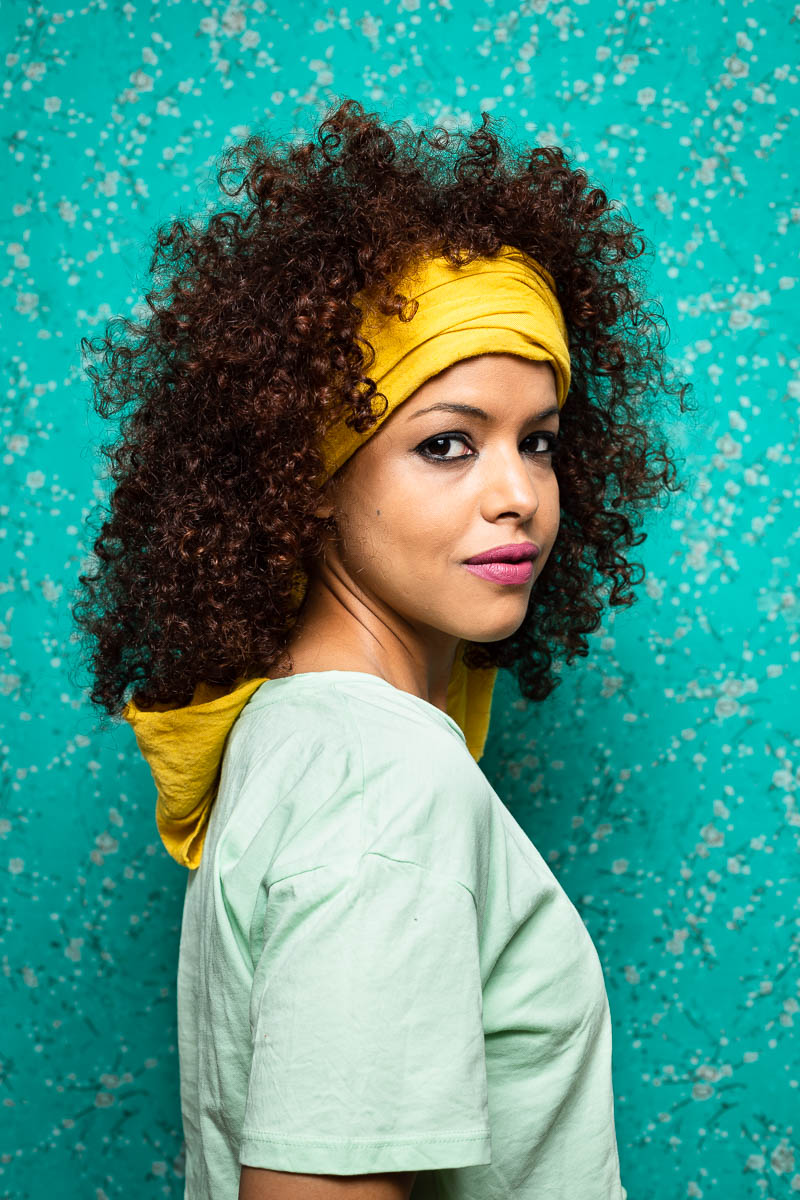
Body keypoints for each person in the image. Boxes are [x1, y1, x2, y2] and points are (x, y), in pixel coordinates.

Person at [72, 98, 690, 1200]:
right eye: (445, 443)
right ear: (305, 469)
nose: (518, 496)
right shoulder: (384, 786)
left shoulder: (288, 736)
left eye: (537, 442)